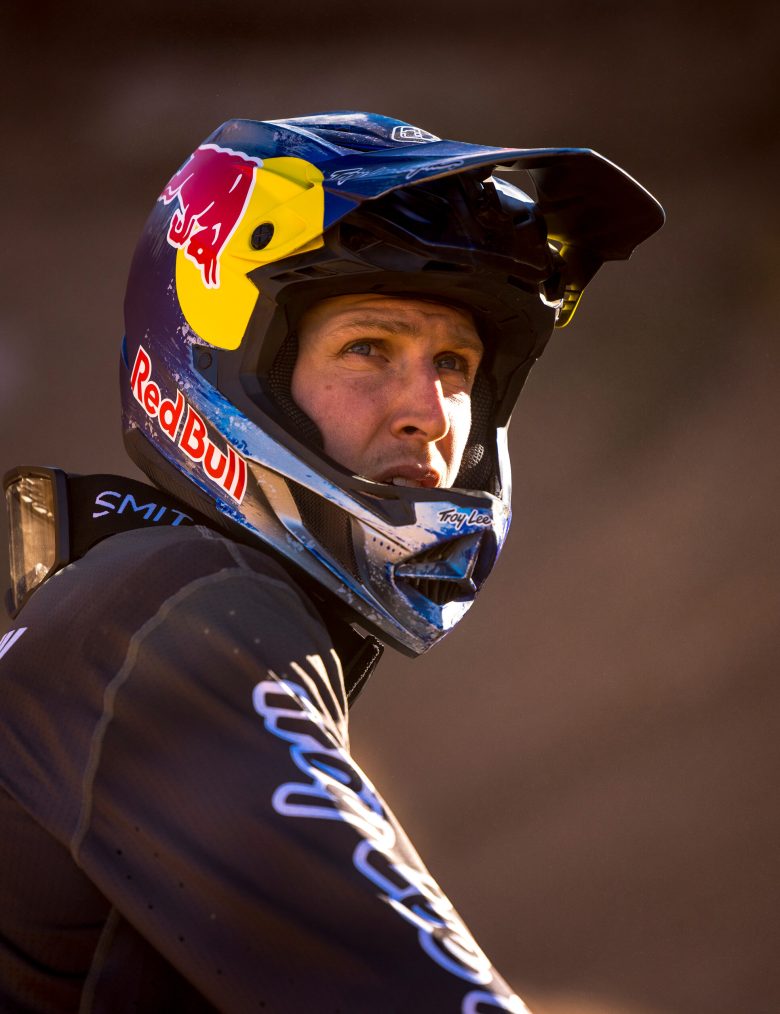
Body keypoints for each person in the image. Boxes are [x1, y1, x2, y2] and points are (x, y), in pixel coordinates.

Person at [0, 112, 664, 1012]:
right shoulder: (175, 614)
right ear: (231, 364)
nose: (430, 411)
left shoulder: (134, 608)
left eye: (456, 362)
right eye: (368, 348)